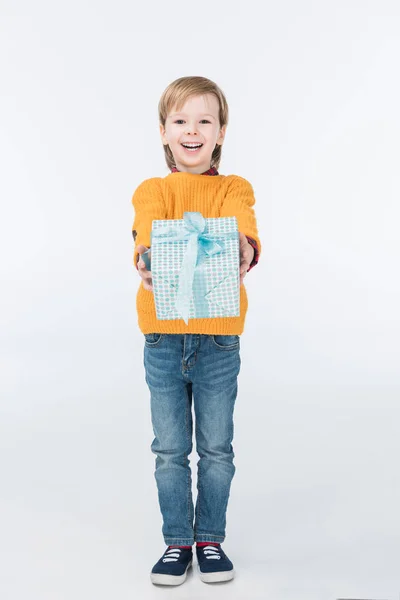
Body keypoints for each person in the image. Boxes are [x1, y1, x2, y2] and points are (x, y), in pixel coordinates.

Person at [131, 76, 261, 586]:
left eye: (204, 120)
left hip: (219, 341)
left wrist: (244, 248)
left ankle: (209, 538)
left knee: (216, 447)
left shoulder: (234, 187)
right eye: (181, 121)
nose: (193, 130)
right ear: (164, 132)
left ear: (221, 132)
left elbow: (241, 224)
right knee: (168, 448)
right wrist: (145, 256)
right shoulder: (153, 190)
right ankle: (176, 542)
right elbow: (147, 228)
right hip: (162, 339)